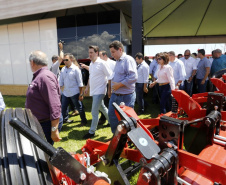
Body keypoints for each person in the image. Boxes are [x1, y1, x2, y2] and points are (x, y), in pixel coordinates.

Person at [25, 50, 62, 145]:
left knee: (44, 154)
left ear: (32, 62)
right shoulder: (41, 76)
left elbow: (55, 104)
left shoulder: (44, 77)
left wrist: (54, 129)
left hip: (46, 124)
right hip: (41, 123)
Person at [108, 40, 138, 134]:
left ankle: (127, 138)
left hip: (126, 96)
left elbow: (133, 77)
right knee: (112, 115)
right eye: (111, 52)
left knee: (126, 119)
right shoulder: (117, 61)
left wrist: (119, 84)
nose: (112, 54)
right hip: (116, 94)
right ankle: (116, 136)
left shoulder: (128, 60)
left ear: (120, 49)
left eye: (113, 52)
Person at [83, 46, 112, 139]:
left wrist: (110, 90)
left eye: (91, 52)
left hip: (100, 91)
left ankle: (92, 132)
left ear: (96, 53)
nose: (89, 54)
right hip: (93, 91)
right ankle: (112, 122)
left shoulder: (102, 63)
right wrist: (87, 87)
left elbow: (110, 76)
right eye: (89, 52)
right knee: (102, 108)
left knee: (94, 112)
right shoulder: (91, 63)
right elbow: (91, 76)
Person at [59, 53, 87, 125]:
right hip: (65, 93)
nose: (65, 61)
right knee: (63, 108)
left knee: (79, 108)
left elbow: (80, 83)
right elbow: (61, 82)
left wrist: (81, 94)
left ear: (71, 60)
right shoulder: (63, 69)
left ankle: (84, 121)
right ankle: (64, 120)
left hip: (75, 93)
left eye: (66, 60)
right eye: (64, 60)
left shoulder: (76, 69)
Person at [98, 50, 116, 125]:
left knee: (107, 102)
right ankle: (104, 118)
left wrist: (111, 88)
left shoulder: (112, 63)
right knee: (102, 102)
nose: (99, 57)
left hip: (110, 85)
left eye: (100, 56)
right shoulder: (101, 63)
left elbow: (113, 76)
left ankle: (108, 119)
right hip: (102, 85)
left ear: (105, 55)